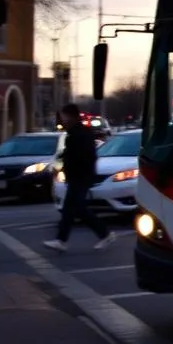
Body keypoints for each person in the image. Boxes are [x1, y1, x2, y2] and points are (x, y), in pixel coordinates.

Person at [44, 103, 116, 253]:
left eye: (65, 116)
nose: (63, 119)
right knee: (70, 209)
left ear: (72, 116)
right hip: (78, 176)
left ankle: (105, 233)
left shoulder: (79, 134)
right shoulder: (76, 133)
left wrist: (70, 166)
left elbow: (84, 156)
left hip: (80, 177)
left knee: (77, 208)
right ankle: (61, 240)